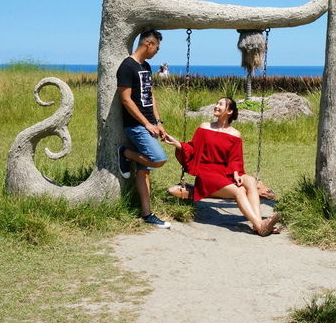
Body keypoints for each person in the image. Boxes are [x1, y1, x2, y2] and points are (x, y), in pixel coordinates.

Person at [161, 97, 282, 236]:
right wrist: (177, 144)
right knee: (239, 191)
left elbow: (235, 159)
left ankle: (258, 224)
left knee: (250, 181)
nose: (216, 106)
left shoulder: (235, 134)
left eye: (221, 104)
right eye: (217, 103)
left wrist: (236, 172)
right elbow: (193, 148)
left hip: (225, 171)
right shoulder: (205, 127)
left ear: (229, 111)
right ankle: (260, 226)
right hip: (207, 173)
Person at [116, 29, 171, 229]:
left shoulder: (146, 66)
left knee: (144, 172)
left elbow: (150, 95)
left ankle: (147, 214)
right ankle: (125, 153)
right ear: (149, 44)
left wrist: (158, 122)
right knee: (159, 159)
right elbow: (125, 99)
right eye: (157, 47)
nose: (157, 51)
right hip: (136, 126)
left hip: (150, 125)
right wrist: (146, 124)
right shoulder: (127, 66)